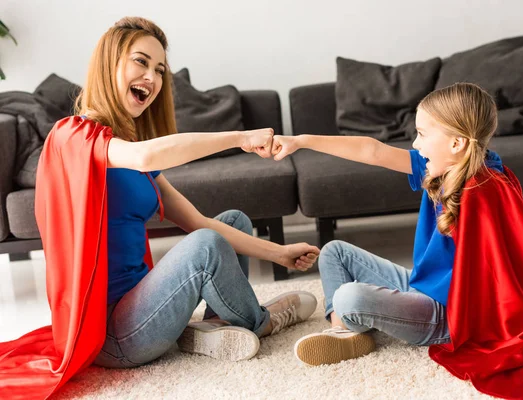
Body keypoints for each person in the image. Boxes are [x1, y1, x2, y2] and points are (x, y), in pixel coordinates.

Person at [0, 17, 319, 399]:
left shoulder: (129, 147)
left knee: (232, 222)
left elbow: (197, 221)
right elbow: (147, 153)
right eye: (141, 62)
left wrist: (280, 253)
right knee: (205, 246)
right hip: (113, 336)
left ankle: (216, 327)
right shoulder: (74, 135)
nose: (152, 77)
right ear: (109, 64)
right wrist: (239, 137)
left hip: (146, 304)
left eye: (159, 69)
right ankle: (262, 322)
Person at [271, 82, 523, 399]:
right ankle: (344, 330)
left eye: (423, 134)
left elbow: (498, 271)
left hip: (452, 315)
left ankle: (347, 321)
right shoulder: (442, 167)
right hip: (422, 287)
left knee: (349, 296)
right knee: (334, 252)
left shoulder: (484, 188)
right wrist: (301, 141)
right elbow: (371, 150)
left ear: (456, 143)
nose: (415, 144)